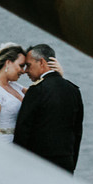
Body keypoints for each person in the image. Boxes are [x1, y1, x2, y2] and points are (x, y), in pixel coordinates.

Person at [13, 43, 84, 173]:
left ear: (41, 62)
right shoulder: (74, 90)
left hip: (39, 163)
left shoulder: (36, 90)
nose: (26, 71)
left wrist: (16, 163)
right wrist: (72, 163)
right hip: (66, 163)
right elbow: (77, 131)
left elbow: (23, 131)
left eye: (29, 65)